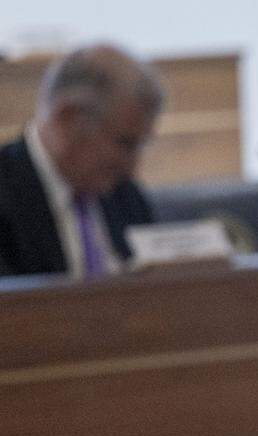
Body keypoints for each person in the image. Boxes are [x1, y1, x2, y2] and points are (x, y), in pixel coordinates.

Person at [0, 44, 163, 277]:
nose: (132, 168)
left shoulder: (126, 196)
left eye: (141, 145)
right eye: (124, 144)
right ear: (67, 119)